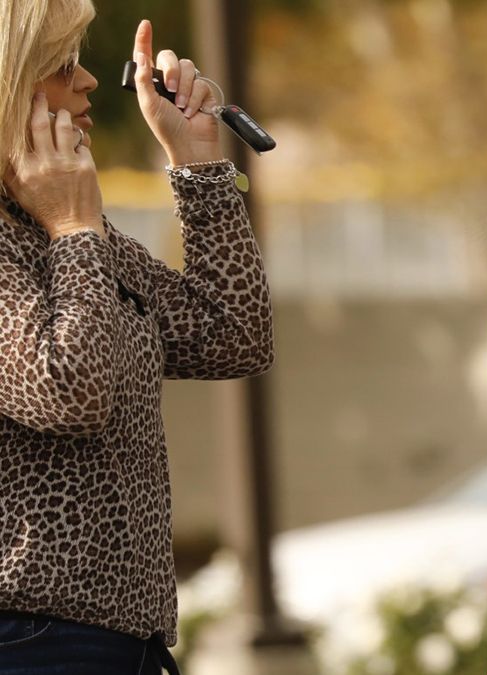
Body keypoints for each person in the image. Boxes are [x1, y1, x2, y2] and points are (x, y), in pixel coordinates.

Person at [0, 6, 272, 674]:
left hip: (124, 639)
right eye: (63, 66)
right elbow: (67, 388)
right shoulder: (66, 226)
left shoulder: (65, 225)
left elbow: (232, 336)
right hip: (30, 639)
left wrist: (197, 163)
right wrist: (72, 227)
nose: (91, 80)